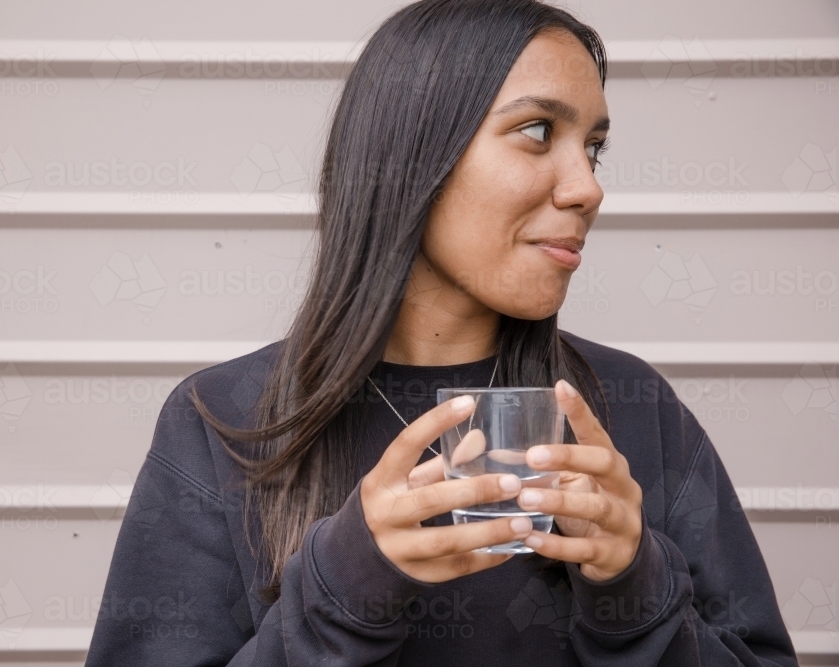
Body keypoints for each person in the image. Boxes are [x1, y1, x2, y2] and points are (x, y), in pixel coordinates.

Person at [85, 0, 798, 664]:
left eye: (595, 146)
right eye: (538, 131)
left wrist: (636, 592)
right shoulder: (224, 420)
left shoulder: (634, 408)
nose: (587, 186)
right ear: (414, 154)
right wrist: (340, 590)